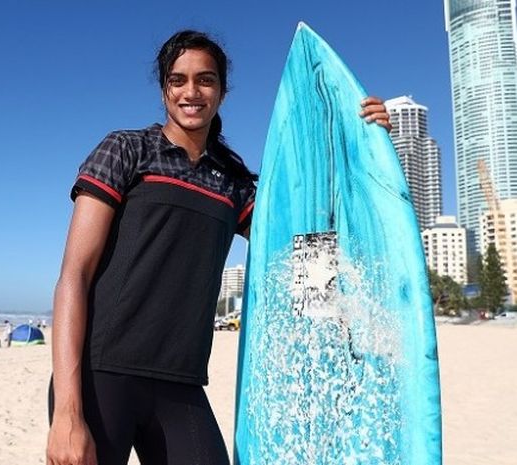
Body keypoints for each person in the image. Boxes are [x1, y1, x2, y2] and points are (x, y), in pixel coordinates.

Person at [46, 30, 390, 465]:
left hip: (181, 382)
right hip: (100, 375)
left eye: (205, 80)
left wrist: (364, 146)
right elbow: (74, 276)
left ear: (223, 92)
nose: (192, 92)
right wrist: (68, 412)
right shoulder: (126, 150)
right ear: (164, 89)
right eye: (179, 80)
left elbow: (309, 245)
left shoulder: (234, 184)